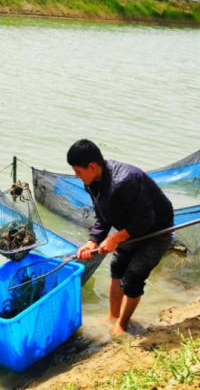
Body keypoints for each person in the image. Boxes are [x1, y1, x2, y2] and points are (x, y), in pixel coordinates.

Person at [68, 139, 174, 335]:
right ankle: (112, 315)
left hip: (156, 229)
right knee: (117, 268)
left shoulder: (125, 181)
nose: (77, 176)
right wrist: (93, 241)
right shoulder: (92, 184)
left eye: (78, 171)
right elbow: (102, 217)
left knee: (133, 277)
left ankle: (122, 324)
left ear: (91, 166)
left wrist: (116, 238)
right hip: (129, 226)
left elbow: (146, 219)